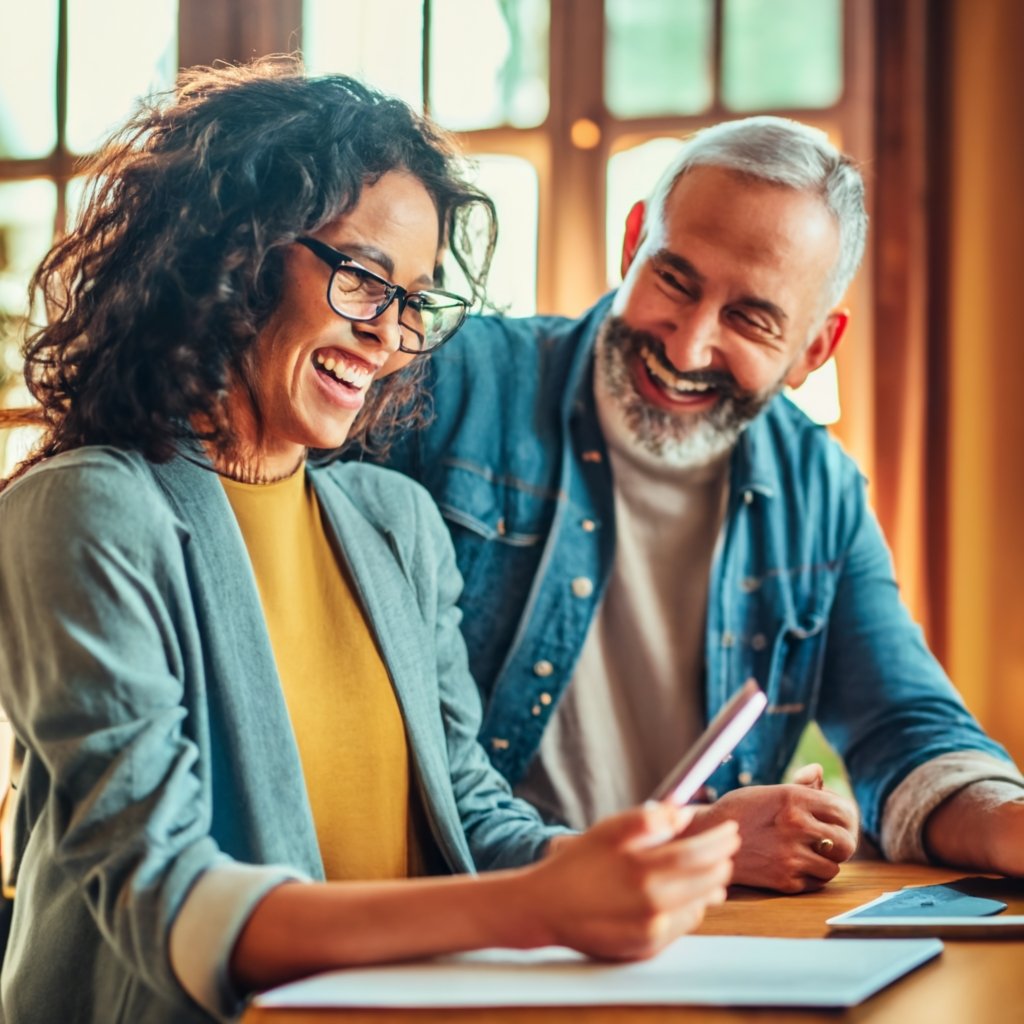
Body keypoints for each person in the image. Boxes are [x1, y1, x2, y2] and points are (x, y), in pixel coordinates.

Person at [0, 60, 740, 1024]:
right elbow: (166, 898)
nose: (390, 337)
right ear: (233, 250)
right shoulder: (88, 511)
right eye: (362, 278)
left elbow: (467, 815)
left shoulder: (396, 524)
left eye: (415, 302)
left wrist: (640, 858)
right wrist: (534, 907)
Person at [366, 115, 1024, 894]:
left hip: (695, 938)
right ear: (633, 241)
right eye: (675, 279)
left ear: (816, 347)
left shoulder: (822, 493)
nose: (685, 348)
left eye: (750, 318)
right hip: (467, 920)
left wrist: (1004, 819)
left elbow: (907, 732)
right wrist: (687, 843)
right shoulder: (445, 383)